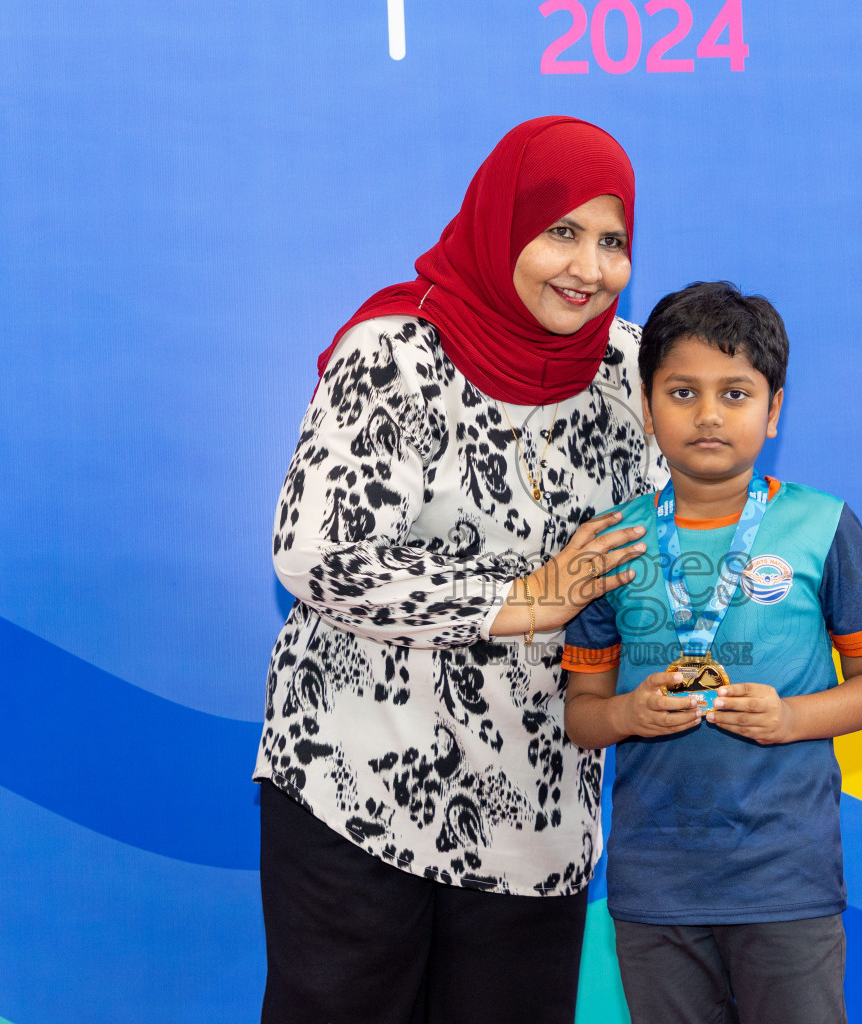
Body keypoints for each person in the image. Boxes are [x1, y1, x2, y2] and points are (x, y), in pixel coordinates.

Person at [255, 116, 667, 1024]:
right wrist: (522, 601)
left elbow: (675, 537)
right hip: (355, 784)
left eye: (612, 241)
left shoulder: (631, 371)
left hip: (538, 805)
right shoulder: (398, 352)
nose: (587, 268)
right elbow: (315, 551)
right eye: (561, 231)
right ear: (502, 222)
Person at [562, 281, 862, 1024]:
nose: (709, 414)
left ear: (774, 409)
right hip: (656, 889)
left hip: (786, 882)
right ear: (648, 407)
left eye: (736, 393)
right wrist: (627, 710)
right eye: (682, 392)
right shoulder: (611, 542)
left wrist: (789, 718)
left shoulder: (824, 526)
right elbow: (581, 717)